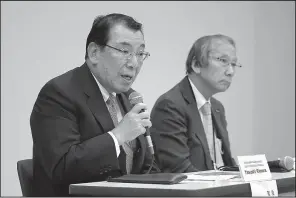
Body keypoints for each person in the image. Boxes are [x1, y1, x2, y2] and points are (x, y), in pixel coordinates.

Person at [30, 13, 159, 197]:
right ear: (94, 53)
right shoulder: (58, 93)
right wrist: (118, 136)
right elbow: (61, 168)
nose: (134, 63)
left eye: (140, 53)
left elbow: (147, 166)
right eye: (124, 51)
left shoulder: (129, 97)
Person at [150, 34, 240, 173]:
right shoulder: (170, 105)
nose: (231, 72)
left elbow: (226, 164)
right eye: (223, 61)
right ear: (196, 64)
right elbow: (178, 169)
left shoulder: (217, 108)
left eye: (233, 64)